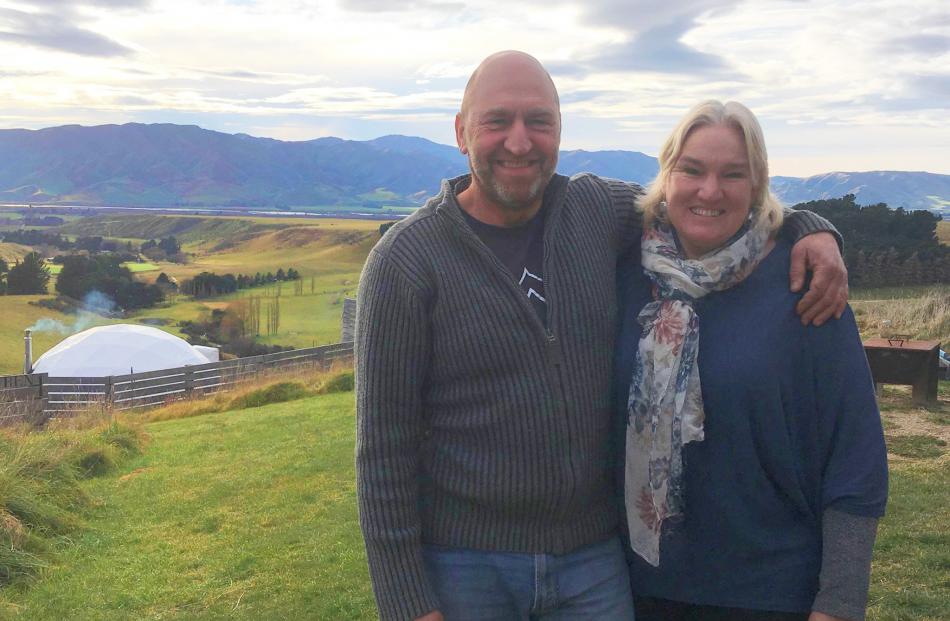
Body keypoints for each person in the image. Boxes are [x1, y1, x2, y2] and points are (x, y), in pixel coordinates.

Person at [356, 51, 847, 621]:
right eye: (498, 121)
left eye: (539, 121)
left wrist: (813, 228)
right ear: (462, 133)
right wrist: (407, 605)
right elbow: (382, 452)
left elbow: (705, 200)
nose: (520, 141)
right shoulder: (406, 263)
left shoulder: (593, 210)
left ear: (560, 131)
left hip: (592, 562)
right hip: (467, 566)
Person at [614, 100, 888, 621]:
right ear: (666, 173)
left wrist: (842, 601)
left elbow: (856, 457)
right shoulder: (626, 269)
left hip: (769, 593)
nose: (709, 191)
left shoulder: (804, 284)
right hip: (631, 588)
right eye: (691, 169)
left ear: (758, 184)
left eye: (732, 174)